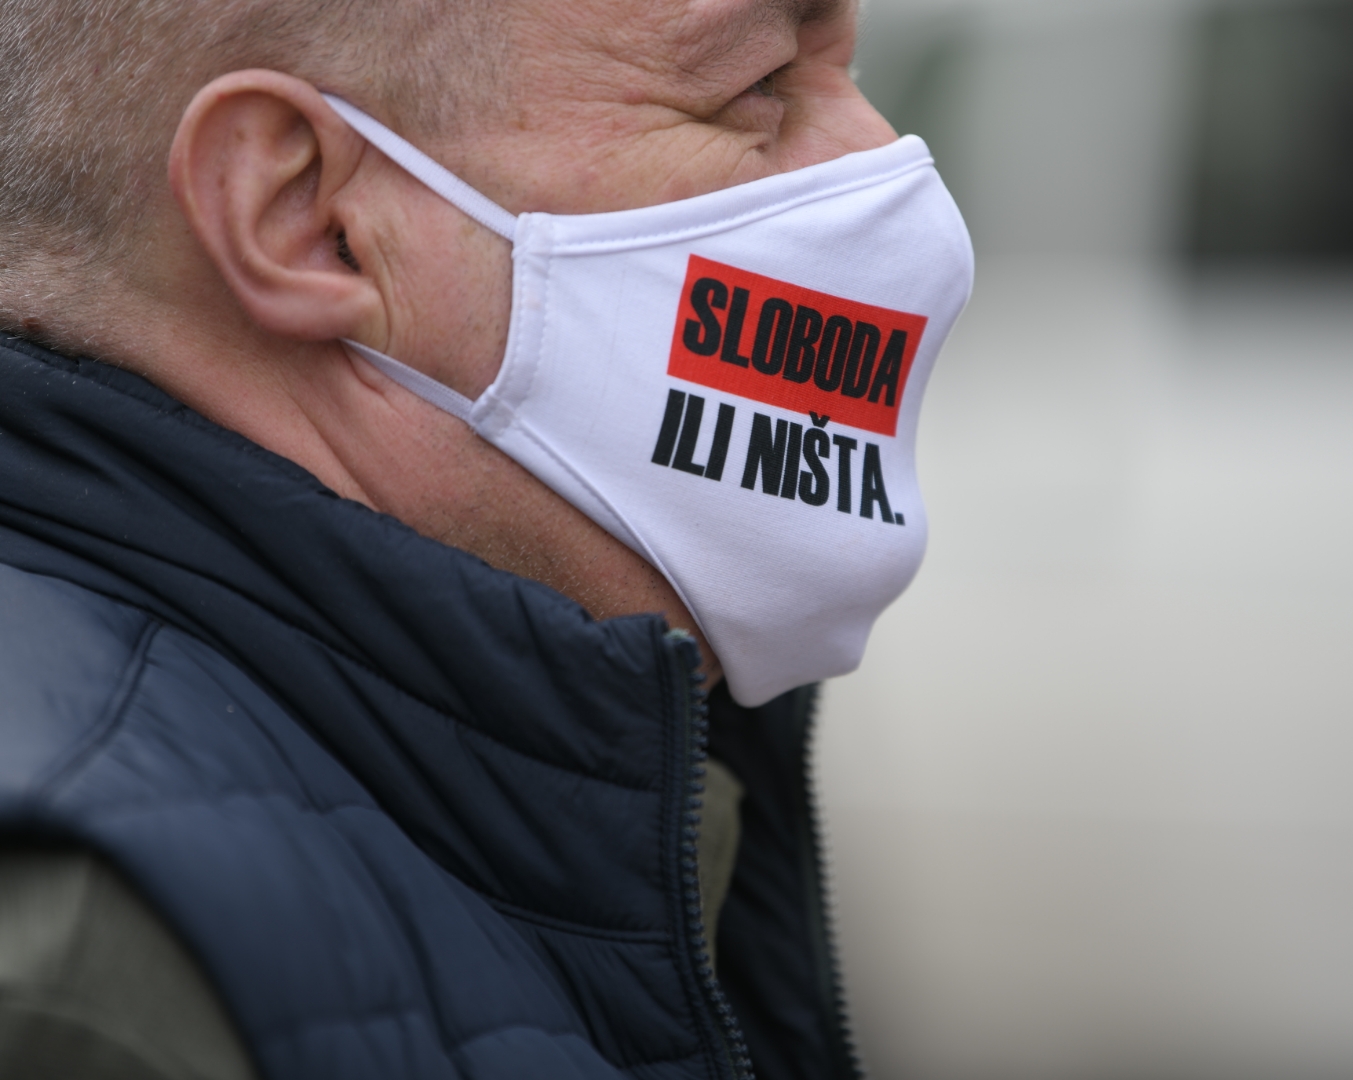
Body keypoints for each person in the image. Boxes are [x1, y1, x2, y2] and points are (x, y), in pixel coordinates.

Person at [0, 0, 972, 1077]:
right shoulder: (80, 978)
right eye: (758, 86)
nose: (883, 156)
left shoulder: (596, 769)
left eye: (844, 63)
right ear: (310, 218)